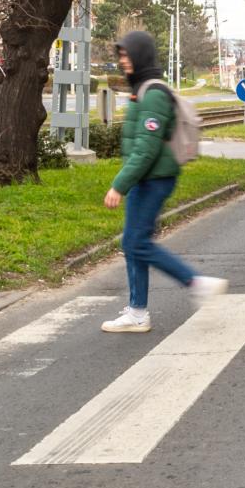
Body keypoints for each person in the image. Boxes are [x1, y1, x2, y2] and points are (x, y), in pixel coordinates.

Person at [99, 31, 227, 334]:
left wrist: (119, 184)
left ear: (141, 55)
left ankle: (195, 283)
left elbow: (147, 148)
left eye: (127, 55)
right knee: (133, 244)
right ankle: (137, 311)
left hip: (154, 179)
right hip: (147, 178)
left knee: (136, 243)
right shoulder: (143, 89)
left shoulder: (154, 93)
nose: (123, 61)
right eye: (121, 56)